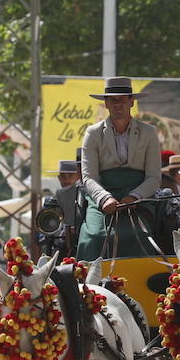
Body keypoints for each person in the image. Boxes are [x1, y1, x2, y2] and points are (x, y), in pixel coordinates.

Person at [77, 76, 162, 260]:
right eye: (113, 100)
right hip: (102, 196)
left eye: (122, 99)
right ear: (106, 103)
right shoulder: (93, 133)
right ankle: (86, 277)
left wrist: (135, 196)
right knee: (94, 237)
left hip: (139, 197)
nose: (117, 104)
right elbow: (89, 177)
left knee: (139, 236)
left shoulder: (149, 132)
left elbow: (154, 177)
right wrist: (104, 198)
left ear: (131, 102)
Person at [38, 156, 84, 257]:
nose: (66, 179)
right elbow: (43, 233)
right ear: (59, 177)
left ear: (78, 176)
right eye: (63, 175)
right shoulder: (51, 202)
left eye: (70, 175)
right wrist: (60, 234)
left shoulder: (84, 199)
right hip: (58, 251)